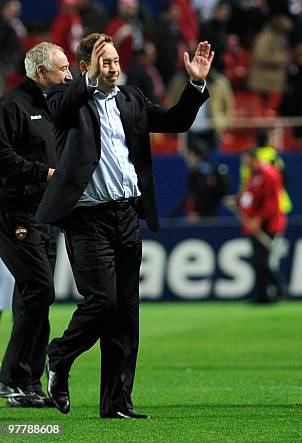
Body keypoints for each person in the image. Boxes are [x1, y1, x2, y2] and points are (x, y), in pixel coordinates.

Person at [35, 33, 214, 418]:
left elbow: (176, 121)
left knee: (126, 314)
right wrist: (87, 82)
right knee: (103, 302)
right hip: (87, 218)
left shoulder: (130, 98)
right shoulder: (66, 102)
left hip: (126, 216)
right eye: (105, 62)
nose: (114, 69)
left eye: (116, 61)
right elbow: (59, 106)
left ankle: (116, 402)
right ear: (85, 69)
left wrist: (196, 83)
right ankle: (59, 356)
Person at [0, 42, 72, 407]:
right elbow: (1, 156)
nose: (68, 75)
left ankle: (24, 383)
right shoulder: (11, 107)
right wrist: (41, 173)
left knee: (34, 296)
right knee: (40, 287)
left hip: (45, 214)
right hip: (15, 212)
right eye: (61, 69)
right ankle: (13, 376)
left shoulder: (53, 107)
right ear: (41, 72)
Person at [238, 149, 287, 304]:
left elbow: (272, 202)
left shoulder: (269, 174)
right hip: (255, 225)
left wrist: (258, 218)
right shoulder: (253, 176)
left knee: (261, 260)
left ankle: (280, 288)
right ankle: (261, 295)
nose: (245, 165)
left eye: (246, 161)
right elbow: (250, 198)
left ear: (253, 159)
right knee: (258, 261)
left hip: (268, 225)